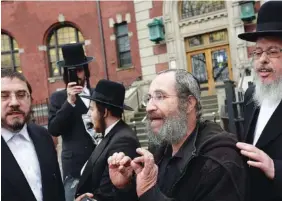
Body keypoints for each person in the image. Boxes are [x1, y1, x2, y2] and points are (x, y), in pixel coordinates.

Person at [108, 69, 248, 201]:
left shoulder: (218, 159)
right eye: (149, 98)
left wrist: (149, 191)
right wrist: (126, 187)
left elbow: (149, 194)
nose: (149, 107)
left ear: (188, 103)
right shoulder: (160, 150)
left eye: (160, 97)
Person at [237, 1, 282, 201]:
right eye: (258, 52)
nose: (262, 59)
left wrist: (275, 168)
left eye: (273, 52)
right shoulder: (251, 95)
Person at [1, 69, 65, 201]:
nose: (14, 103)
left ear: (30, 99)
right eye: (4, 95)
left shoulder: (43, 136)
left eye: (21, 94)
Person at [75, 79, 140, 201]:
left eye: (92, 109)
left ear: (104, 112)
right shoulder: (112, 134)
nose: (89, 114)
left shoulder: (123, 141)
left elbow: (111, 193)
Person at [48, 43, 96, 201]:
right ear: (66, 74)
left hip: (99, 161)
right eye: (72, 71)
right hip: (74, 167)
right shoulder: (59, 98)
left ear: (86, 71)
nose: (77, 75)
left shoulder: (96, 94)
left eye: (80, 70)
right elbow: (54, 129)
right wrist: (69, 102)